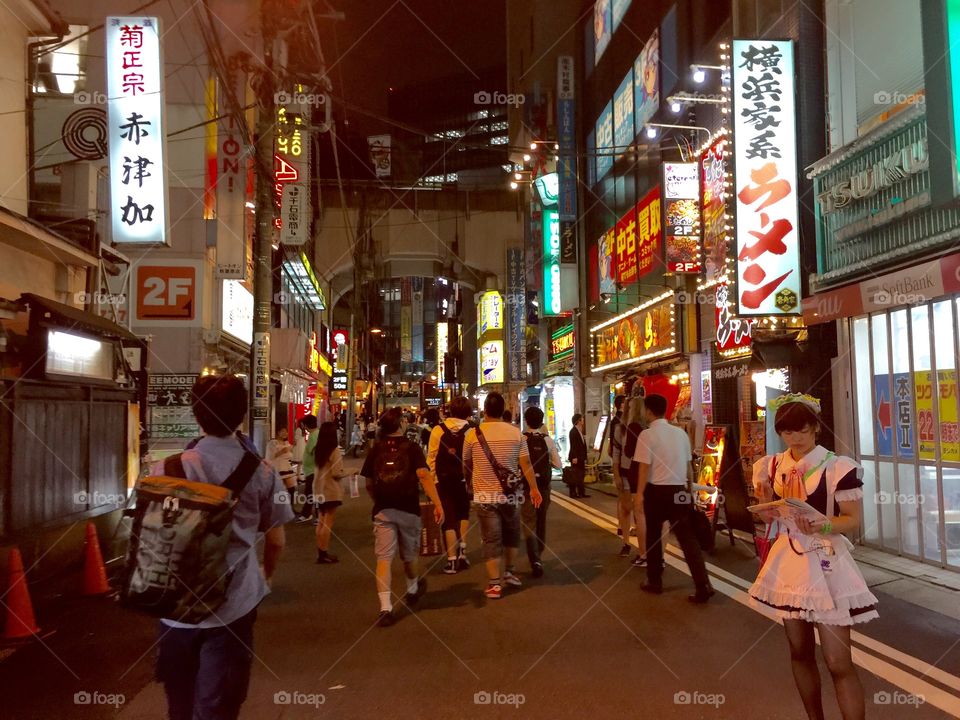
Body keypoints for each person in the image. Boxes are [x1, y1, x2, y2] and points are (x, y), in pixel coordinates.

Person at [155, 375, 293, 720]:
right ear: (241, 416)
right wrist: (265, 576)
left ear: (196, 415)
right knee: (220, 705)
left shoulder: (166, 468)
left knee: (179, 704)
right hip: (233, 602)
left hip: (175, 606)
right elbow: (276, 539)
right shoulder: (262, 472)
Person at [750, 393, 877, 720]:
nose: (795, 439)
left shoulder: (838, 467)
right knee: (799, 651)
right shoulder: (771, 466)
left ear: (816, 429)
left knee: (838, 661)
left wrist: (821, 525)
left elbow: (852, 519)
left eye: (802, 431)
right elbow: (770, 518)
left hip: (827, 561)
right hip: (789, 562)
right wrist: (766, 507)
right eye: (788, 433)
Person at [361, 408, 444, 627]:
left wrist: (378, 501)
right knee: (409, 556)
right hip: (408, 509)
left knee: (384, 559)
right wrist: (437, 504)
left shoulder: (376, 448)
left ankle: (385, 607)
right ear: (401, 425)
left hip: (382, 510)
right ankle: (412, 589)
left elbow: (369, 483)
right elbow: (424, 476)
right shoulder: (412, 448)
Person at [633, 393, 713, 603]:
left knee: (653, 537)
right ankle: (703, 584)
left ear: (648, 411)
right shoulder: (680, 435)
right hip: (679, 491)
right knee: (688, 540)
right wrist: (688, 491)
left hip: (656, 492)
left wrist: (639, 494)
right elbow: (688, 468)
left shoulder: (647, 435)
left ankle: (654, 581)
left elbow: (644, 468)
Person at [463, 392, 542, 600]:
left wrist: (469, 484)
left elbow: (466, 464)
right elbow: (526, 464)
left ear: (485, 410)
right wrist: (534, 489)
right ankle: (509, 571)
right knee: (511, 535)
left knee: (491, 539)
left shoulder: (473, 434)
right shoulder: (516, 433)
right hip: (511, 495)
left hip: (484, 496)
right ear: (502, 410)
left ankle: (495, 584)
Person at [426, 396, 473, 574]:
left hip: (443, 481)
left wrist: (430, 483)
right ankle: (462, 552)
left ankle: (452, 561)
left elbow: (431, 458)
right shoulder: (472, 431)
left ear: (450, 410)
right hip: (464, 480)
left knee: (448, 520)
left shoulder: (438, 430)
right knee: (463, 515)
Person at [522, 406, 561, 577]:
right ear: (541, 421)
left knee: (529, 522)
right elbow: (558, 464)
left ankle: (534, 559)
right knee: (541, 520)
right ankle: (539, 552)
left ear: (525, 420)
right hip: (544, 487)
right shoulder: (547, 440)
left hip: (527, 488)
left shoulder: (521, 439)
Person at [313, 421, 347, 564]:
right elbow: (337, 473)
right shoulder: (334, 450)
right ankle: (324, 553)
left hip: (319, 489)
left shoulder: (318, 449)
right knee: (327, 523)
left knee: (321, 521)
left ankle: (321, 552)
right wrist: (352, 471)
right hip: (330, 490)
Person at [297, 415, 319, 522]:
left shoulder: (313, 436)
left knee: (311, 493)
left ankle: (310, 515)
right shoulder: (316, 434)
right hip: (312, 469)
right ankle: (309, 514)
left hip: (312, 469)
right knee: (311, 493)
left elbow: (312, 451)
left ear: (305, 425)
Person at [266, 427, 296, 503]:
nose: (285, 433)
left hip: (287, 468)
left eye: (286, 432)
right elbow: (270, 456)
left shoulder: (286, 443)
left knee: (291, 489)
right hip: (278, 468)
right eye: (282, 431)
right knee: (279, 490)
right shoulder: (273, 443)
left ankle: (290, 509)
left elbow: (290, 455)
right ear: (278, 432)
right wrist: (282, 452)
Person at [567, 413, 589, 498]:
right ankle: (573, 492)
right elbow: (573, 446)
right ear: (578, 421)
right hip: (576, 457)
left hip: (581, 457)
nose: (583, 420)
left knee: (580, 475)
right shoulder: (573, 431)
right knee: (574, 475)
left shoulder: (579, 431)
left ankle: (581, 492)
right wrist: (575, 457)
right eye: (582, 419)